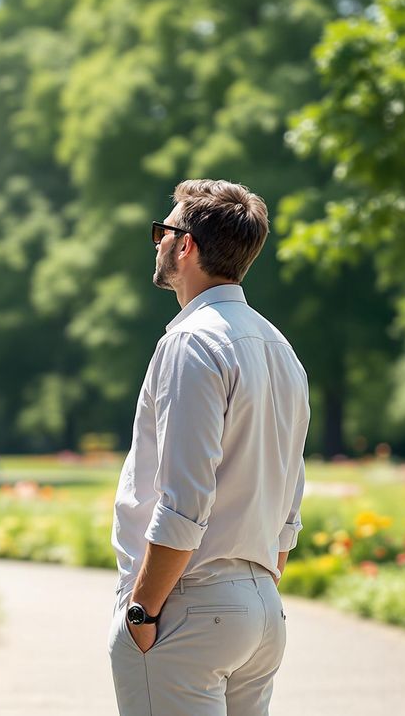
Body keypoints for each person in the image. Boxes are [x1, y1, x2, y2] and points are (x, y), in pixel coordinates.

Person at [107, 179, 309, 716]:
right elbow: (289, 503)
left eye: (164, 231)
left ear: (187, 246)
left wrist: (142, 612)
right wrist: (254, 588)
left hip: (188, 607)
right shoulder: (280, 348)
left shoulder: (191, 342)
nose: (157, 242)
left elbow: (184, 503)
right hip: (259, 606)